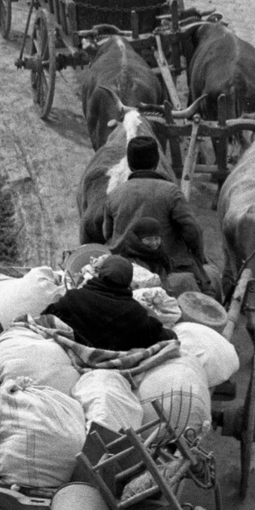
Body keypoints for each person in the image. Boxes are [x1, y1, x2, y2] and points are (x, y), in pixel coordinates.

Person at [102, 136, 216, 296]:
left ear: (129, 163)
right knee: (209, 294)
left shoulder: (114, 194)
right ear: (157, 162)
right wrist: (198, 258)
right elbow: (193, 231)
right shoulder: (171, 192)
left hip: (124, 267)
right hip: (170, 266)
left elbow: (107, 234)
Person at [42, 255, 176, 351]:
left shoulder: (74, 297)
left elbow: (47, 318)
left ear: (101, 273)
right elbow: (163, 336)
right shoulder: (134, 312)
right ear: (128, 280)